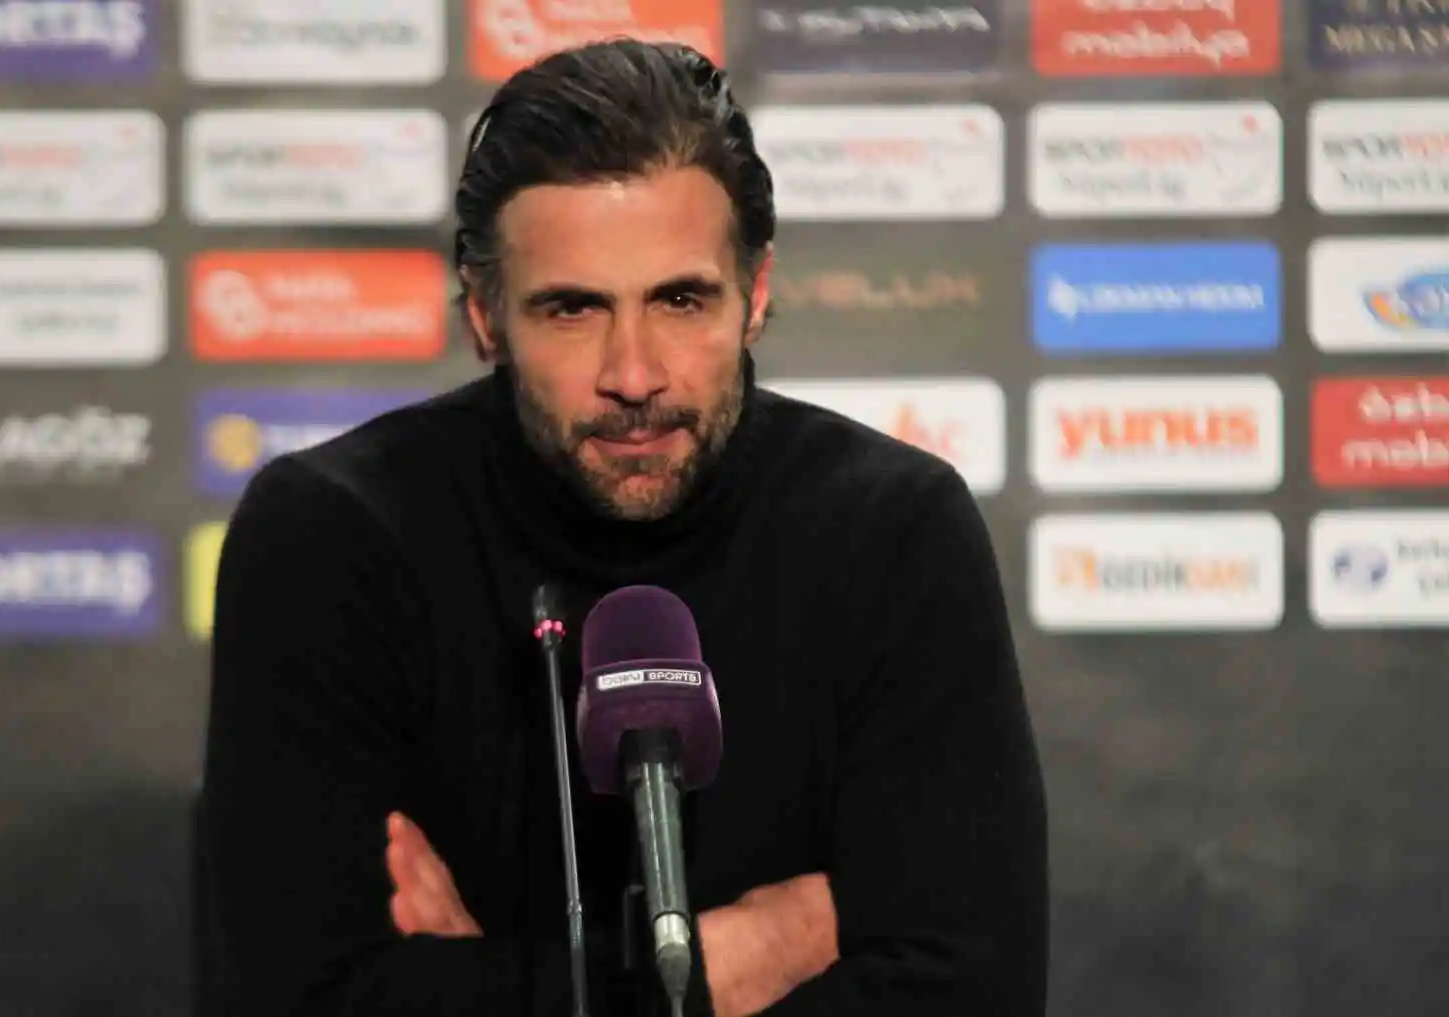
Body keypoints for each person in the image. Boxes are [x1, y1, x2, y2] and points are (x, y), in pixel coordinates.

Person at [196, 38, 1048, 1017]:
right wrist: (729, 968)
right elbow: (299, 999)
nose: (634, 375)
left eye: (681, 300)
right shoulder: (332, 536)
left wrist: (486, 988)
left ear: (756, 294)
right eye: (572, 309)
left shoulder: (894, 530)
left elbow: (972, 992)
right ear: (484, 314)